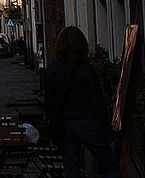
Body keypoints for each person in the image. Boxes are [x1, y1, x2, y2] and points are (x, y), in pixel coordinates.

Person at [42, 26, 122, 178]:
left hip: (65, 124)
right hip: (88, 121)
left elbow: (50, 102)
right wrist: (107, 130)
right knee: (108, 164)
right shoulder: (87, 70)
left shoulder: (52, 70)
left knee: (71, 168)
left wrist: (54, 127)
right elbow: (97, 100)